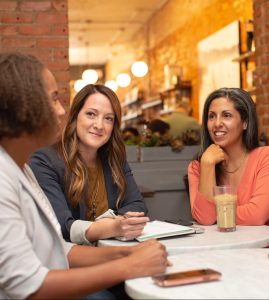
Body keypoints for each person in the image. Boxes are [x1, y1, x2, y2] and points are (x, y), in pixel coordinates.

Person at [0, 52, 168, 299]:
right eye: (53, 100)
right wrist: (128, 264)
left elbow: (61, 248)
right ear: (23, 107)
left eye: (108, 119)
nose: (60, 112)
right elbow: (28, 285)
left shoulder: (21, 169)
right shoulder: (11, 174)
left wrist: (125, 254)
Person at [29, 84, 149, 244]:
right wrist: (113, 227)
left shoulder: (115, 158)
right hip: (70, 261)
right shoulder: (45, 161)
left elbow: (138, 206)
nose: (99, 125)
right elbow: (61, 226)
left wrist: (110, 224)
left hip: (112, 252)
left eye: (108, 118)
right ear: (75, 116)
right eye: (91, 114)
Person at [188, 87, 269, 225]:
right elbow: (205, 219)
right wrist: (207, 165)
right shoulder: (198, 166)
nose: (217, 123)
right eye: (212, 116)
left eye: (226, 115)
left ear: (245, 122)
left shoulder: (265, 158)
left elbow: (257, 215)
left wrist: (216, 215)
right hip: (219, 246)